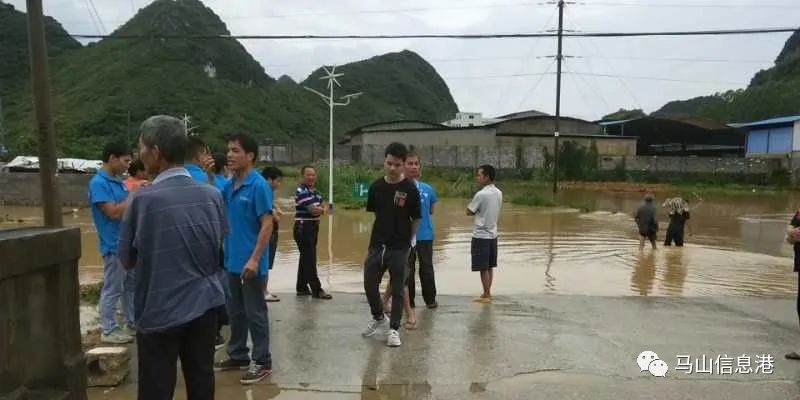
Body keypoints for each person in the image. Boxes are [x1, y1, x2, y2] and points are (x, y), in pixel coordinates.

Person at [118, 115, 226, 400]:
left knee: (156, 387)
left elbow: (126, 260)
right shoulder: (213, 195)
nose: (139, 153)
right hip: (205, 307)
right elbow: (218, 248)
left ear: (155, 152)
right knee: (202, 380)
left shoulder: (142, 200)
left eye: (141, 147)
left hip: (159, 310)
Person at [214, 133, 274, 384]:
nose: (230, 154)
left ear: (250, 156)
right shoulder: (229, 185)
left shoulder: (258, 185)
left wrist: (255, 259)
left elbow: (267, 223)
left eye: (236, 150)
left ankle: (262, 361)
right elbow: (212, 198)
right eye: (228, 150)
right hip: (231, 261)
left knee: (255, 313)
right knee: (235, 312)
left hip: (251, 263)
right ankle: (238, 354)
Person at [361, 142, 422, 347]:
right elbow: (376, 214)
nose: (393, 168)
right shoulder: (376, 187)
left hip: (400, 246)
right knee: (369, 282)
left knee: (397, 288)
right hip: (377, 244)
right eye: (389, 163)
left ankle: (394, 329)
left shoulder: (410, 189)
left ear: (403, 164)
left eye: (397, 164)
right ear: (384, 162)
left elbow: (416, 218)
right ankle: (379, 317)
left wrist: (409, 240)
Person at [89, 140, 134, 344]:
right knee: (113, 288)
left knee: (131, 286)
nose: (127, 165)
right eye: (125, 161)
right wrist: (134, 195)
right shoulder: (98, 183)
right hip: (114, 245)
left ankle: (131, 322)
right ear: (112, 158)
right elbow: (114, 212)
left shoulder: (118, 181)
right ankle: (108, 329)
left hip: (128, 243)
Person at [293, 165, 333, 299]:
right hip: (303, 227)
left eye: (313, 175)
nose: (311, 177)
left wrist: (322, 209)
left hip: (313, 227)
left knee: (305, 257)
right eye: (308, 175)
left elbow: (325, 208)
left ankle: (302, 288)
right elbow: (314, 210)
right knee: (310, 258)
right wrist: (323, 210)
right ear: (302, 176)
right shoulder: (301, 191)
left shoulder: (316, 192)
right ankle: (317, 290)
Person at [467, 164, 503, 304]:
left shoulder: (481, 194)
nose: (477, 178)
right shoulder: (498, 192)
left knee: (483, 267)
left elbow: (469, 211)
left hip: (481, 235)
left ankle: (487, 294)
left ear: (487, 177)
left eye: (479, 175)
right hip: (493, 234)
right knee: (489, 265)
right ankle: (487, 292)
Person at [262, 166, 284, 302]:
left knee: (266, 263)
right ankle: (263, 291)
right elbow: (272, 216)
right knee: (264, 263)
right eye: (277, 181)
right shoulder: (263, 192)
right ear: (269, 180)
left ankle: (264, 289)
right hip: (267, 233)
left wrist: (276, 208)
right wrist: (276, 214)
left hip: (272, 232)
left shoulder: (268, 193)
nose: (279, 184)